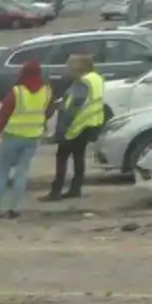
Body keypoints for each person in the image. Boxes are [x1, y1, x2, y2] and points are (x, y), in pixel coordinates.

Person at [0, 58, 49, 218]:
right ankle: (15, 209)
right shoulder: (46, 90)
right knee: (22, 173)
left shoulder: (17, 92)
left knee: (3, 173)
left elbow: (3, 116)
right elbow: (48, 110)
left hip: (13, 136)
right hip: (33, 137)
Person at [43, 53, 106, 201]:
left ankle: (56, 191)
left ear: (78, 67)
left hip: (75, 127)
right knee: (79, 158)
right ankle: (75, 188)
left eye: (70, 66)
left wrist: (60, 131)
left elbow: (71, 107)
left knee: (62, 157)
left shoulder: (81, 82)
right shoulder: (96, 79)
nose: (68, 69)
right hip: (90, 124)